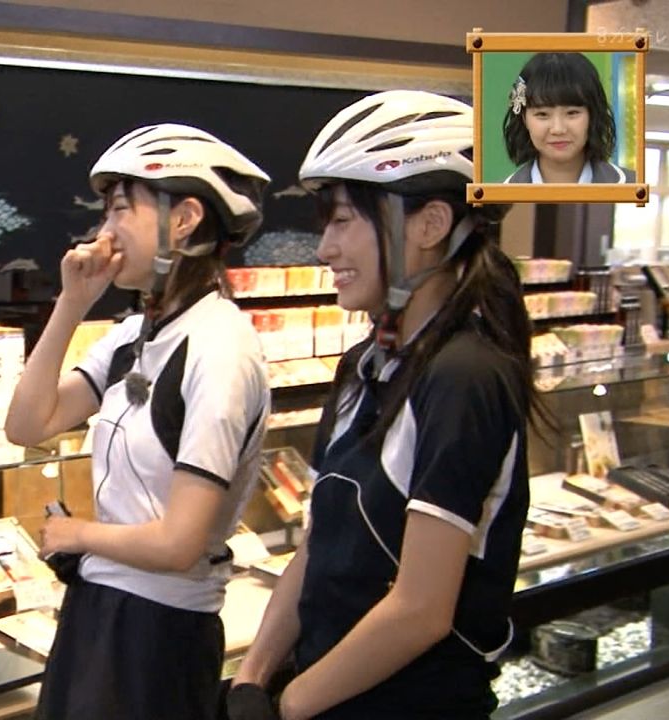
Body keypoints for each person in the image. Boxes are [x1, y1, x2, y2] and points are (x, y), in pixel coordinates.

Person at [229, 91, 541, 720]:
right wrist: (252, 676)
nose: (325, 248)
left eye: (344, 221)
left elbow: (421, 609)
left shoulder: (466, 377)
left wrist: (291, 703)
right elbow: (321, 542)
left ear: (429, 225)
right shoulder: (364, 366)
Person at [4, 123, 272, 720]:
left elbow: (179, 542)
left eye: (122, 208)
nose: (105, 230)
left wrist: (77, 535)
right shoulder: (135, 334)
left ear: (185, 219)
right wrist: (72, 303)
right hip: (101, 608)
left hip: (158, 631)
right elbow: (27, 424)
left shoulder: (220, 349)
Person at [502, 52, 636, 184]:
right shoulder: (498, 195)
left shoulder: (636, 187)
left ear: (592, 114)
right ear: (524, 118)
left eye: (572, 113)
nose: (558, 129)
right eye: (542, 114)